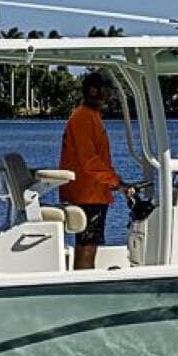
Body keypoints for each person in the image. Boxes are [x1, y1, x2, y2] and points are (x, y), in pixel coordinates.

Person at [58, 71, 131, 270]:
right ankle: (82, 285)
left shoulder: (91, 117)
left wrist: (114, 183)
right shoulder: (83, 117)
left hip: (92, 192)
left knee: (88, 244)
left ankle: (82, 281)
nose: (109, 95)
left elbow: (98, 159)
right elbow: (89, 161)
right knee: (87, 246)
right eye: (106, 90)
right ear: (93, 91)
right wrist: (116, 182)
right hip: (86, 195)